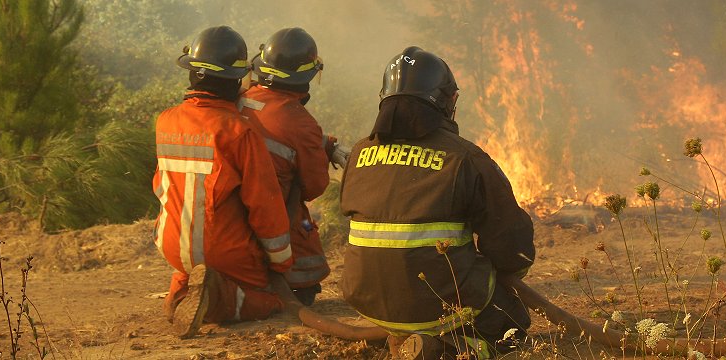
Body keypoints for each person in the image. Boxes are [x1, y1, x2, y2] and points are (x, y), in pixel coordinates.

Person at [338, 46, 536, 359]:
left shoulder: (359, 153)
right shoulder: (465, 158)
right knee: (511, 323)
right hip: (441, 307)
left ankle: (401, 336)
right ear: (448, 101)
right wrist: (506, 277)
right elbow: (512, 245)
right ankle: (444, 349)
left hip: (367, 303)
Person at [153, 25, 293, 339]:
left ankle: (180, 291)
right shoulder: (239, 132)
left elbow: (161, 187)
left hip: (172, 247)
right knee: (271, 298)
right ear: (234, 80)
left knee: (193, 255)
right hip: (224, 253)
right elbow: (264, 206)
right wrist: (281, 263)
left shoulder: (165, 121)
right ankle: (219, 302)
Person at [238, 27, 341, 305]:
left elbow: (270, 129)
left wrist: (323, 144)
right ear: (304, 78)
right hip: (273, 213)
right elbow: (313, 187)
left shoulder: (239, 99)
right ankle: (298, 283)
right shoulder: (300, 122)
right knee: (304, 223)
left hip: (230, 209)